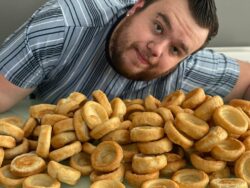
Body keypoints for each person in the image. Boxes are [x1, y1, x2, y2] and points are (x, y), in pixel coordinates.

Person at [0, 0, 249, 113]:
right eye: (159, 27)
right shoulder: (62, 25)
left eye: (176, 50)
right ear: (136, 7)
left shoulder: (184, 68)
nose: (157, 49)